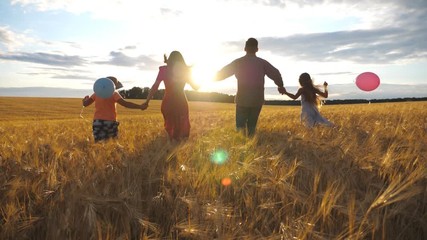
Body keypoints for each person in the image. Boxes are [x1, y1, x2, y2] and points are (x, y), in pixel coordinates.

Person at [214, 37, 286, 137]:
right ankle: (251, 142)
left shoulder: (238, 62)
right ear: (257, 49)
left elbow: (222, 74)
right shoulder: (262, 63)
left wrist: (209, 79)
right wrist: (280, 86)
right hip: (257, 100)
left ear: (245, 48)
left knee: (240, 128)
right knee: (252, 127)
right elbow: (276, 73)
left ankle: (242, 148)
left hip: (242, 99)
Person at [142, 51, 199, 141]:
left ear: (169, 60)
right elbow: (196, 87)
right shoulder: (185, 71)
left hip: (168, 101)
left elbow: (155, 87)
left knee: (171, 126)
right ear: (182, 60)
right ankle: (177, 146)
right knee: (182, 126)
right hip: (181, 101)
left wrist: (147, 101)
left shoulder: (164, 70)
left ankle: (171, 144)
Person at [82, 76, 145, 142]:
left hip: (97, 122)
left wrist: (84, 100)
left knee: (98, 143)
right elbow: (125, 104)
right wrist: (140, 106)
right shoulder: (114, 93)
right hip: (110, 122)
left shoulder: (97, 93)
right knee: (112, 142)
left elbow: (85, 104)